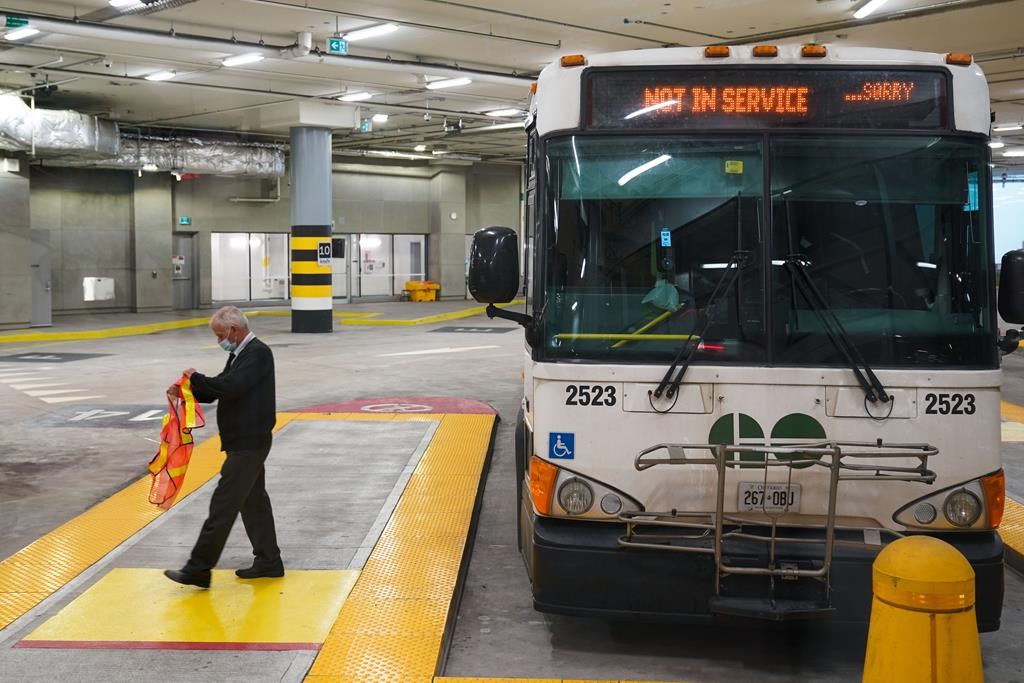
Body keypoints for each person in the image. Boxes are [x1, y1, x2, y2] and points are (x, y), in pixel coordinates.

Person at [163, 306, 282, 588]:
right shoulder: (240, 354)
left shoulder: (258, 353)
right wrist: (188, 389)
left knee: (223, 506)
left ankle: (198, 569)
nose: (219, 341)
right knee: (253, 503)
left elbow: (231, 387)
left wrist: (195, 378)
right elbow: (220, 389)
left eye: (220, 335)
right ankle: (269, 561)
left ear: (234, 330)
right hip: (244, 442)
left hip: (249, 445)